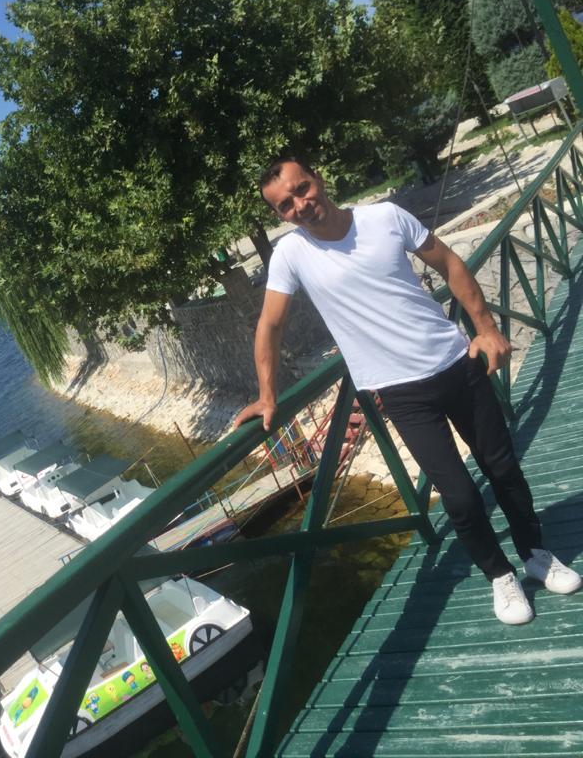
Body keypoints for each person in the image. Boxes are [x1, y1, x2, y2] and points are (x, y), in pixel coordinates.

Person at [234, 157, 581, 625]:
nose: (300, 204)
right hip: (402, 395)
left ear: (318, 179)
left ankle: (535, 553)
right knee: (459, 497)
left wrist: (485, 328)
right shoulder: (291, 255)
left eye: (302, 189)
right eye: (285, 205)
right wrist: (267, 395)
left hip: (457, 365)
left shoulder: (384, 217)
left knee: (504, 470)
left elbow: (449, 262)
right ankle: (500, 575)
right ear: (280, 215)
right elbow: (270, 325)